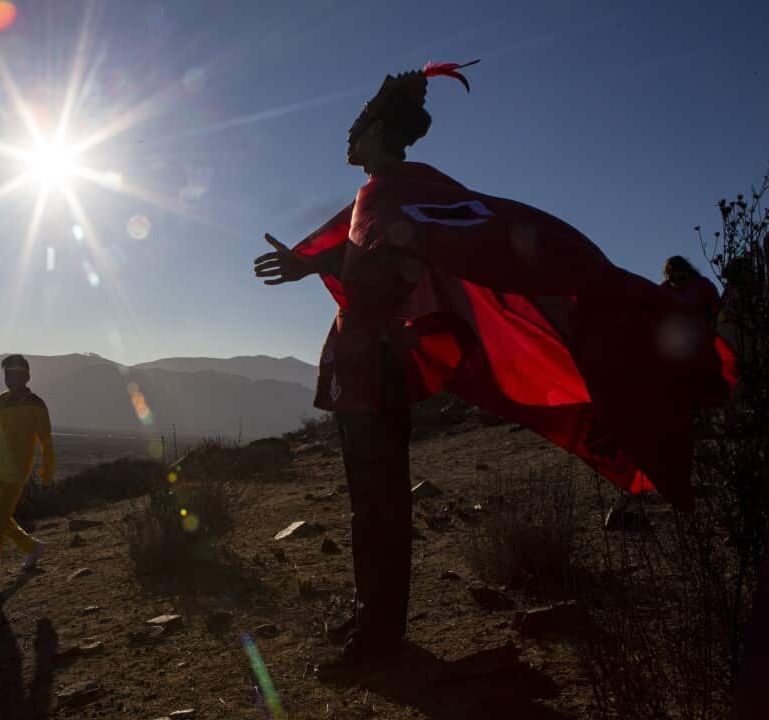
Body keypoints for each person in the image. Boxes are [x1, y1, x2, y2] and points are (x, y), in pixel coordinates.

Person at [254, 60, 731, 678]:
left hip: (378, 367)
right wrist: (310, 264)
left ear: (377, 132)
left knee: (381, 505)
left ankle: (379, 640)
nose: (348, 135)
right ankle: (371, 617)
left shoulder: (405, 190)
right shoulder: (379, 195)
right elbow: (358, 250)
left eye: (358, 124)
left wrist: (352, 277)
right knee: (367, 504)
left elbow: (408, 253)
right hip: (359, 365)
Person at [0, 354, 56, 586]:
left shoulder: (37, 405)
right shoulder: (0, 401)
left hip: (16, 472)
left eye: (16, 373)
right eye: (7, 374)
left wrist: (46, 475)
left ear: (27, 376)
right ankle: (32, 546)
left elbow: (46, 442)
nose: (10, 378)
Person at [661, 255, 720, 323]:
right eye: (672, 278)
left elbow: (716, 307)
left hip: (701, 325)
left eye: (679, 276)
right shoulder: (665, 289)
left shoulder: (703, 284)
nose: (676, 280)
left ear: (686, 270)